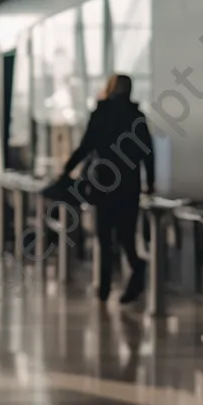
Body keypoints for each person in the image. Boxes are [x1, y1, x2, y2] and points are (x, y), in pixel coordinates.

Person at [59, 73, 155, 304]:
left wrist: (67, 169)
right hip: (129, 185)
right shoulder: (136, 116)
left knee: (104, 236)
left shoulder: (101, 114)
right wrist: (150, 182)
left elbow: (86, 145)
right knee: (126, 236)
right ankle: (137, 267)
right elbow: (148, 153)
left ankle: (103, 288)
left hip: (104, 184)